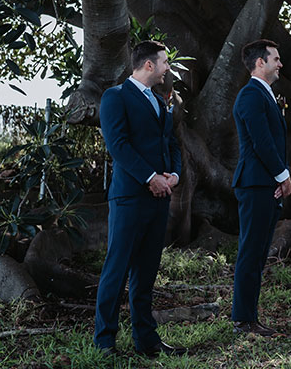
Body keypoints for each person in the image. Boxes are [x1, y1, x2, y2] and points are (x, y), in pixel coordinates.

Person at [94, 40, 185, 357]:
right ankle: (105, 341)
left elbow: (171, 143)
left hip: (160, 198)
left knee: (146, 273)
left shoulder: (160, 101)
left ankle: (146, 341)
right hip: (130, 198)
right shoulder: (115, 97)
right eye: (164, 63)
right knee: (116, 271)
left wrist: (173, 175)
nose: (167, 69)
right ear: (149, 64)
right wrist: (151, 177)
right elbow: (118, 145)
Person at [231, 39, 291, 337]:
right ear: (260, 62)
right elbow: (262, 143)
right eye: (276, 59)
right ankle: (243, 320)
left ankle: (250, 316)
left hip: (265, 184)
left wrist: (277, 180)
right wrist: (283, 176)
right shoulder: (250, 95)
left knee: (258, 253)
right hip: (255, 183)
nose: (280, 64)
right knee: (250, 251)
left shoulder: (266, 95)